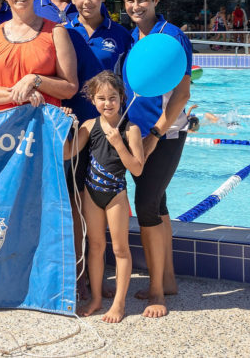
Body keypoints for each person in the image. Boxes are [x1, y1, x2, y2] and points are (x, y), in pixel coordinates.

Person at [120, 0, 193, 319]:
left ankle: (156, 290)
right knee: (159, 204)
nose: (136, 6)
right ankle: (169, 279)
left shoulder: (172, 36)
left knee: (146, 204)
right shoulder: (134, 37)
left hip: (165, 135)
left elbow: (182, 94)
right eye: (130, 0)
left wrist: (157, 134)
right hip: (138, 133)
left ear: (156, 1)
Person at [65, 70, 144, 323]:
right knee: (95, 247)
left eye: (112, 98)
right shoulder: (89, 126)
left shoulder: (131, 130)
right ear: (92, 100)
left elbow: (138, 168)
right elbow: (68, 153)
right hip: (91, 194)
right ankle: (96, 298)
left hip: (115, 197)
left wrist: (119, 144)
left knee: (121, 249)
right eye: (101, 98)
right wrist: (62, 125)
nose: (107, 103)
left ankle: (119, 303)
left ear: (122, 98)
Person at [64, 0, 133, 124]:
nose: (87, 1)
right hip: (70, 122)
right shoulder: (62, 33)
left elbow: (128, 83)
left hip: (108, 125)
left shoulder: (121, 35)